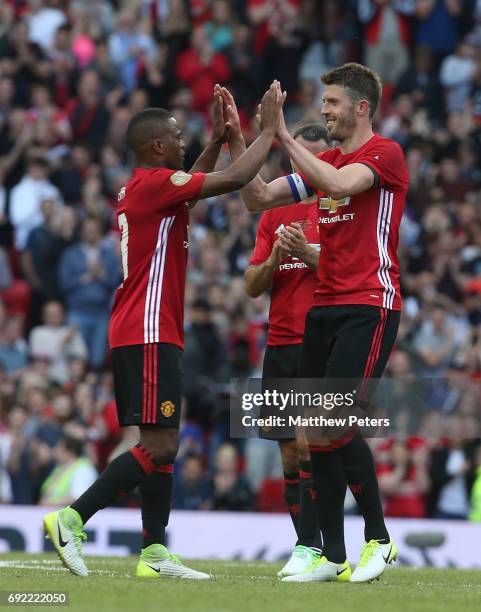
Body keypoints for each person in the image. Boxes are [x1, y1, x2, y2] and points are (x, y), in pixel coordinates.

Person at [43, 81, 286, 579]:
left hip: (148, 328)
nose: (183, 141)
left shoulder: (149, 189)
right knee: (160, 446)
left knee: (164, 442)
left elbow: (191, 189)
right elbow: (239, 177)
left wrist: (217, 140)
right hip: (149, 329)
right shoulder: (155, 186)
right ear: (157, 146)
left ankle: (153, 553)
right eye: (177, 136)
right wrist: (270, 129)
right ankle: (72, 518)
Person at [224, 62, 408, 583]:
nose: (324, 110)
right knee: (310, 431)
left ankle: (379, 540)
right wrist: (245, 140)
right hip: (322, 309)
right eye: (323, 102)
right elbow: (256, 197)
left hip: (369, 303)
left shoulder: (383, 154)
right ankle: (330, 554)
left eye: (331, 102)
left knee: (334, 424)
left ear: (361, 107)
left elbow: (340, 182)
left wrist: (283, 133)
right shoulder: (323, 159)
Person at [244, 122, 331, 577]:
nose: (306, 164)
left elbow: (353, 272)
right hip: (279, 344)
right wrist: (279, 255)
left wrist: (311, 252)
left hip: (320, 342)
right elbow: (252, 287)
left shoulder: (339, 210)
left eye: (315, 156)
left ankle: (313, 549)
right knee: (287, 455)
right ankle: (308, 545)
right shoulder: (273, 214)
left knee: (307, 447)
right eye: (300, 156)